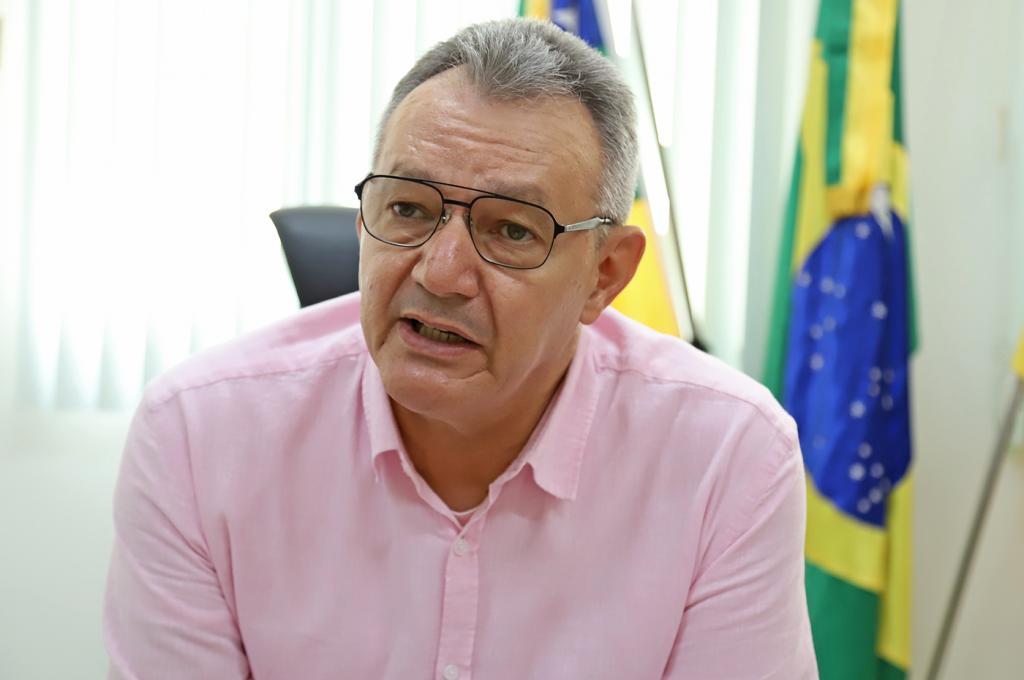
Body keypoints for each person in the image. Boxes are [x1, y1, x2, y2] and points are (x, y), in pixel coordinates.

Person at [104, 17, 817, 680]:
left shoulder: (727, 456)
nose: (440, 274)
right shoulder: (199, 437)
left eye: (512, 230)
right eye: (407, 209)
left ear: (604, 275)